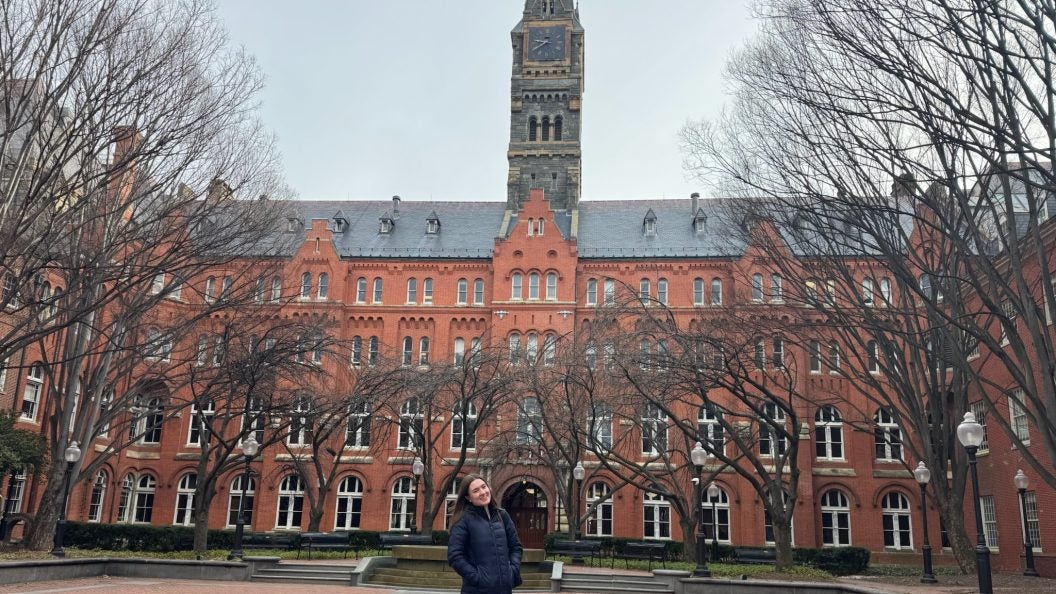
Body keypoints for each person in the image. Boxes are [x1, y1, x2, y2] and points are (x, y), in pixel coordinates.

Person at [447, 474, 523, 594]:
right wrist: (477, 579)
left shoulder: (502, 516)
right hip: (477, 590)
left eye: (484, 487)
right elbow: (455, 556)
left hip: (504, 589)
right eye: (476, 490)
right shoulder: (463, 520)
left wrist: (512, 571)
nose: (482, 492)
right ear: (468, 497)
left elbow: (516, 547)